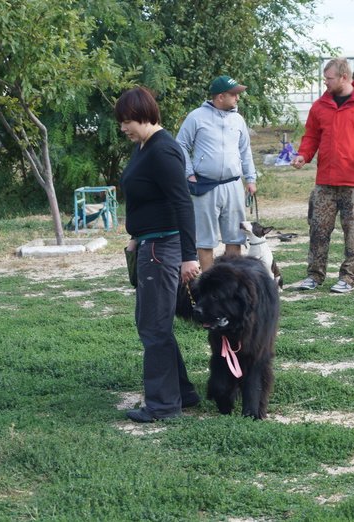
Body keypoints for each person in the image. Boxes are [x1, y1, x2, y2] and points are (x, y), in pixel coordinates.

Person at [115, 86, 202, 423]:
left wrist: (189, 256)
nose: (123, 128)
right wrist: (136, 237)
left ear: (144, 115)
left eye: (127, 121)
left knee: (154, 326)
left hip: (163, 249)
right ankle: (184, 392)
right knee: (154, 323)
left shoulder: (163, 150)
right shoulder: (144, 147)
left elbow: (182, 203)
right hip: (148, 245)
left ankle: (163, 406)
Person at [291, 58, 354, 293]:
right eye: (325, 78)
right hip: (325, 182)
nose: (325, 82)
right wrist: (303, 155)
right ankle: (314, 275)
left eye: (329, 78)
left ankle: (348, 278)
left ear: (344, 77)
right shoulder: (319, 106)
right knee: (318, 229)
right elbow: (311, 137)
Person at [176, 75, 257, 271]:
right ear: (220, 97)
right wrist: (189, 173)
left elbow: (245, 150)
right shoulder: (196, 117)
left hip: (233, 185)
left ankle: (232, 284)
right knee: (204, 240)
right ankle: (208, 284)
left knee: (235, 237)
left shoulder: (238, 119)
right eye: (234, 94)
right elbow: (180, 145)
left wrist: (251, 178)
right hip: (204, 186)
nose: (237, 98)